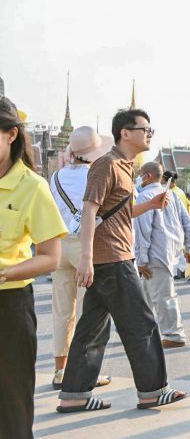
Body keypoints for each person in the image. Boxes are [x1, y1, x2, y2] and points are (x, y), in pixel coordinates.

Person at [58, 108, 187, 413]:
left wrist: (151, 205)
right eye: (145, 129)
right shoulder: (107, 165)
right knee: (141, 324)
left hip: (111, 258)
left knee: (92, 329)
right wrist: (86, 259)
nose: (150, 134)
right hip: (113, 260)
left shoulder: (124, 166)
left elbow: (115, 213)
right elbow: (89, 210)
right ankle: (152, 391)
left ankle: (74, 394)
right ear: (125, 133)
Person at [0, 96, 66, 439]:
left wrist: (6, 273)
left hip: (8, 309)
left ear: (11, 135)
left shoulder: (32, 186)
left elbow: (50, 257)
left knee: (11, 411)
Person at [48, 126, 113, 391]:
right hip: (86, 246)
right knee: (90, 312)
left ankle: (60, 370)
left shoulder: (56, 177)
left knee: (62, 310)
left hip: (59, 245)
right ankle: (86, 371)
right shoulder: (97, 175)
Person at [134, 162, 190, 348]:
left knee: (163, 296)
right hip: (169, 251)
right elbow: (188, 222)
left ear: (147, 176)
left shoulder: (145, 197)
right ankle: (141, 330)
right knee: (145, 295)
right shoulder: (172, 195)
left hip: (155, 253)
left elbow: (142, 231)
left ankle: (174, 334)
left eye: (140, 175)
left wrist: (141, 258)